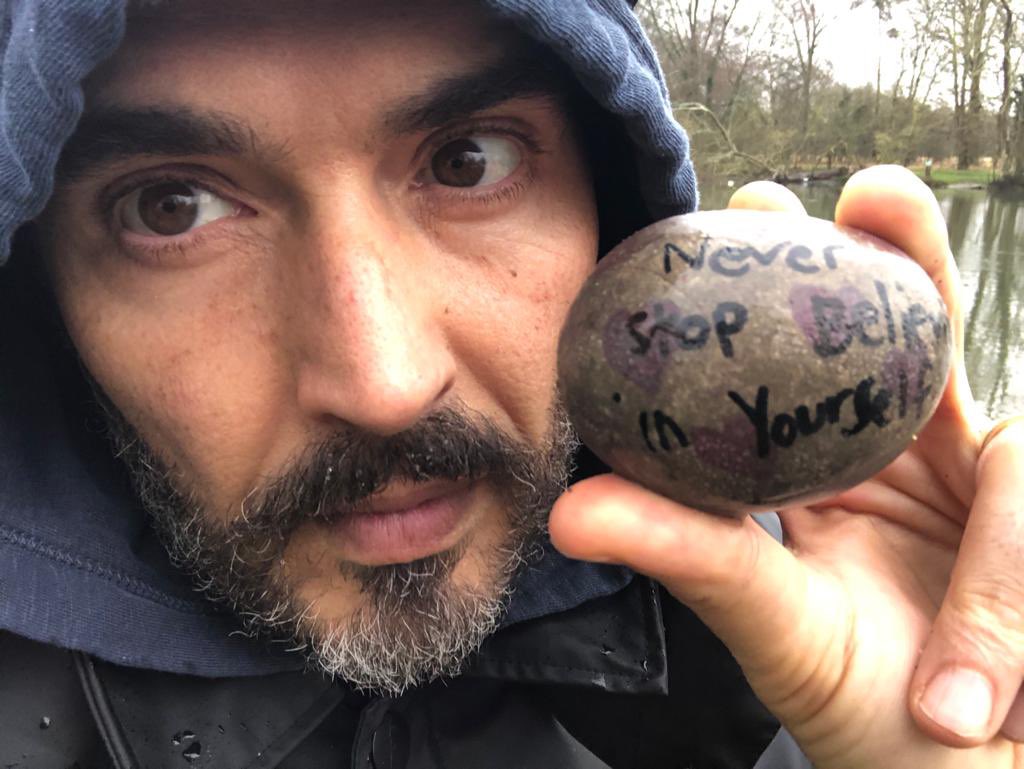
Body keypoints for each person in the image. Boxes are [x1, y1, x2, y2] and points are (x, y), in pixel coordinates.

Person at [0, 1, 1021, 767]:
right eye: (171, 207)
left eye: (467, 161)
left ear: (610, 212)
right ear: (40, 292)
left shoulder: (805, 626)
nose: (384, 382)